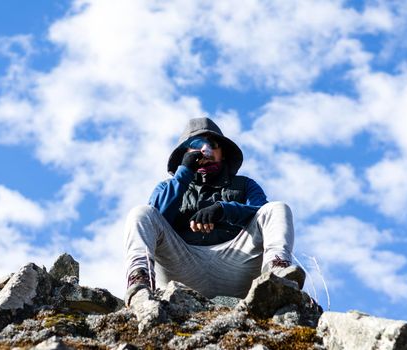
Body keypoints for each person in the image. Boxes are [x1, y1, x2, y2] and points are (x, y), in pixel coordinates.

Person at [123, 117, 305, 306]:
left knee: (277, 208)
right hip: (182, 266)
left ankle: (277, 275)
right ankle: (140, 283)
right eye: (196, 145)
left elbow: (261, 212)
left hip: (236, 265)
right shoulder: (167, 187)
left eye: (212, 145)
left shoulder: (245, 185)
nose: (205, 150)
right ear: (185, 153)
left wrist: (223, 209)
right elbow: (155, 218)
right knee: (141, 212)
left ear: (223, 154)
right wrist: (184, 173)